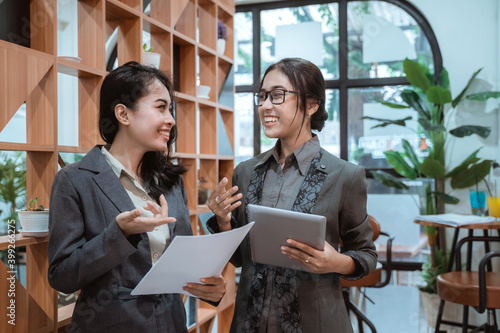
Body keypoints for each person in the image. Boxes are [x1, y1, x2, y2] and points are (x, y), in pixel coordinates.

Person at [48, 61, 226, 332]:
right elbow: (62, 276)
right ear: (123, 114)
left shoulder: (171, 181)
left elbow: (183, 265)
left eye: (170, 109)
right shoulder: (75, 180)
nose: (171, 119)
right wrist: (118, 234)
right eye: (160, 107)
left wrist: (209, 289)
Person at [206, 57, 377, 332]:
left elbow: (366, 255)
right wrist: (224, 222)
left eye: (277, 96)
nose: (265, 106)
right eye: (261, 96)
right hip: (250, 322)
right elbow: (240, 259)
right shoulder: (246, 172)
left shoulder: (345, 176)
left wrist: (337, 262)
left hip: (316, 322)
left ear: (312, 104)